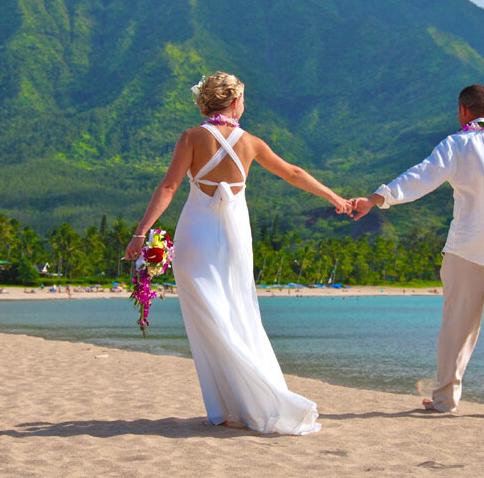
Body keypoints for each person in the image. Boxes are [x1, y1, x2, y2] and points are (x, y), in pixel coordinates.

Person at [124, 72, 350, 434]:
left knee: (209, 319)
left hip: (196, 236)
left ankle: (227, 406)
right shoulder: (251, 143)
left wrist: (140, 233)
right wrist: (334, 197)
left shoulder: (191, 138)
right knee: (238, 312)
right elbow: (293, 173)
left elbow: (169, 186)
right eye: (243, 100)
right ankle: (248, 399)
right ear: (233, 103)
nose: (244, 105)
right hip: (233, 240)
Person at [350, 85, 484, 417]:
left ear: (462, 111)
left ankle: (445, 400)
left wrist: (377, 198)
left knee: (457, 327)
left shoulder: (457, 145)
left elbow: (419, 177)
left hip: (467, 248)